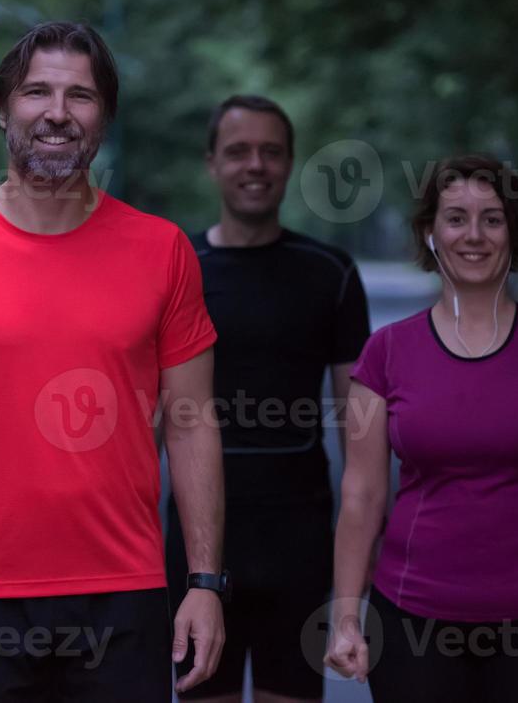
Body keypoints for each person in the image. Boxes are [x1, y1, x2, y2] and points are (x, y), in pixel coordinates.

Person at [0, 20, 227, 702]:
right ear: (4, 110)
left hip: (124, 596)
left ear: (105, 117)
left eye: (80, 96)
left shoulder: (162, 250)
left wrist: (204, 583)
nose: (56, 113)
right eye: (36, 92)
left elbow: (191, 422)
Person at [326, 154, 518, 702]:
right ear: (430, 232)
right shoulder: (386, 352)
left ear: (513, 231)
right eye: (456, 218)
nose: (474, 235)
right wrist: (347, 615)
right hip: (412, 618)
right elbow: (362, 492)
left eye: (492, 218)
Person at [163, 94, 369, 703]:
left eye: (271, 152)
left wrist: (366, 540)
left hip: (298, 537)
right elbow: (149, 419)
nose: (255, 165)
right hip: (197, 537)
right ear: (211, 163)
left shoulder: (329, 272)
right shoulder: (178, 267)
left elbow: (360, 432)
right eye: (238, 152)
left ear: (290, 163)